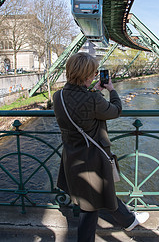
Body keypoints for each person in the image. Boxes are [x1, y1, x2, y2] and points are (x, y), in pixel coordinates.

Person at [53, 52, 149, 242]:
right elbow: (116, 111)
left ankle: (129, 220)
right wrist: (112, 91)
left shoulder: (58, 96)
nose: (95, 76)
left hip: (71, 157)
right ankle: (124, 222)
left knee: (99, 195)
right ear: (87, 75)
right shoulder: (93, 100)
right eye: (94, 73)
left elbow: (77, 106)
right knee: (90, 206)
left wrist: (93, 92)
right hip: (92, 158)